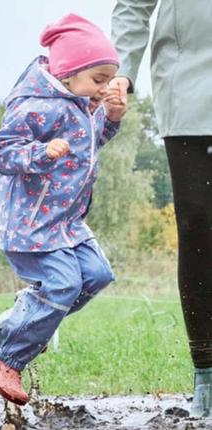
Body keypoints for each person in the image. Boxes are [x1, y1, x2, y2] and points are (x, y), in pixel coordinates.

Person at [0, 13, 127, 405]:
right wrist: (41, 153)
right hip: (32, 224)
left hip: (67, 222)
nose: (104, 88)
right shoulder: (35, 106)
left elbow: (90, 144)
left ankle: (30, 322)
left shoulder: (80, 105)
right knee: (63, 285)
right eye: (98, 79)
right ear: (69, 72)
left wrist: (111, 117)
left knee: (97, 275)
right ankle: (4, 355)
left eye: (108, 80)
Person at [110, 0, 212, 418]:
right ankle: (206, 367)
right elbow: (132, 6)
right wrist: (121, 69)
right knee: (197, 222)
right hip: (186, 81)